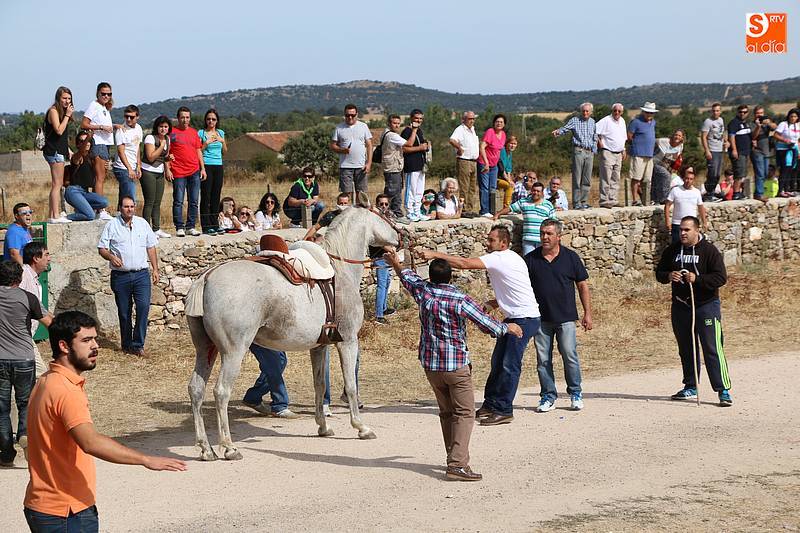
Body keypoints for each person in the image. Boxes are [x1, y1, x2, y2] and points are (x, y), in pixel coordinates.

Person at [23, 311, 186, 530]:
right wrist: (145, 459)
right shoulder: (66, 390)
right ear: (64, 346)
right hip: (66, 512)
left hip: (44, 506)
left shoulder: (47, 380)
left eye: (95, 339)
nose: (95, 346)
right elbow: (90, 442)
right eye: (86, 340)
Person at [384, 252, 523, 481]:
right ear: (450, 278)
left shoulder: (423, 292)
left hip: (431, 365)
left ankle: (453, 456)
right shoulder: (459, 299)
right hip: (456, 364)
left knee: (447, 413)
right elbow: (488, 325)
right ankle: (458, 464)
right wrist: (510, 329)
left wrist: (395, 263)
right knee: (465, 412)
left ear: (430, 277)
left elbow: (408, 277)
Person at [421, 225, 541, 426]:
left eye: (491, 240)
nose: (487, 243)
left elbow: (464, 263)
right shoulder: (511, 258)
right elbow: (515, 287)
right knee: (498, 362)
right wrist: (495, 303)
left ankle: (504, 409)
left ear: (503, 243)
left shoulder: (500, 257)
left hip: (524, 319)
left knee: (509, 365)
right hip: (516, 316)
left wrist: (433, 254)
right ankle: (492, 403)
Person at [655, 216, 732, 407]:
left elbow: (721, 278)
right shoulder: (673, 250)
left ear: (697, 230)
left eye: (686, 230)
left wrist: (697, 279)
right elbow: (659, 272)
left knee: (712, 348)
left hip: (706, 306)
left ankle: (723, 390)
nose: (682, 233)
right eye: (681, 229)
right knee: (686, 349)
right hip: (681, 306)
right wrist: (668, 275)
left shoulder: (709, 251)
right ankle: (691, 385)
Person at [526, 219, 592, 412]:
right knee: (543, 360)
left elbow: (583, 285)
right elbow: (520, 288)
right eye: (542, 233)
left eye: (549, 234)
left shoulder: (571, 258)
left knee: (570, 355)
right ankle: (548, 396)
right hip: (540, 319)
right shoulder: (531, 259)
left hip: (566, 318)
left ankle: (575, 393)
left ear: (558, 236)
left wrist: (588, 313)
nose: (544, 237)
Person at [0, 260, 52, 467]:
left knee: (2, 408)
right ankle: (24, 434)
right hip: (24, 357)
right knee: (25, 403)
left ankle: (5, 452)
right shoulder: (27, 298)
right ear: (19, 279)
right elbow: (49, 323)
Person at [97, 196, 159, 357]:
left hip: (141, 275)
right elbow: (102, 248)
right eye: (126, 206)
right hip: (121, 276)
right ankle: (126, 344)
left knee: (144, 307)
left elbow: (151, 247)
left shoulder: (143, 224)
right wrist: (111, 257)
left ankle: (138, 345)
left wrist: (155, 269)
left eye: (132, 206)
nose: (129, 209)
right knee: (124, 311)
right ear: (120, 208)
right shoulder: (112, 225)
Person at [169, 106, 206, 237]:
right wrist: (168, 169)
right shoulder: (172, 133)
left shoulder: (194, 132)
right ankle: (179, 226)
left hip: (194, 170)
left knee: (194, 200)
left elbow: (198, 150)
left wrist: (203, 168)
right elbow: (167, 152)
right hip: (178, 171)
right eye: (182, 117)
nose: (185, 120)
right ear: (178, 118)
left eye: (187, 117)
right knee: (178, 200)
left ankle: (191, 226)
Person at [552, 103, 597, 209]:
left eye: (587, 111)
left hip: (589, 152)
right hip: (579, 151)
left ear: (591, 112)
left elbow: (595, 136)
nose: (585, 113)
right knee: (577, 178)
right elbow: (565, 128)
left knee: (587, 179)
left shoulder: (593, 122)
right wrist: (558, 132)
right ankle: (577, 203)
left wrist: (594, 148)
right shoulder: (575, 120)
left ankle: (584, 202)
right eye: (583, 111)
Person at [494, 181, 556, 255]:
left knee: (543, 262)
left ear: (542, 193)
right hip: (528, 241)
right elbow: (510, 208)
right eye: (534, 190)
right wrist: (498, 214)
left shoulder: (548, 205)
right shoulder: (523, 202)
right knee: (528, 263)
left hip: (543, 240)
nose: (535, 193)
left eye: (538, 191)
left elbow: (553, 223)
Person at [42, 86, 74, 223]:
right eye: (64, 98)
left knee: (57, 183)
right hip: (53, 151)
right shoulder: (54, 111)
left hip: (59, 150)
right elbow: (59, 130)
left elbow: (62, 136)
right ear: (58, 98)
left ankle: (52, 215)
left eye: (69, 98)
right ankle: (55, 216)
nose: (67, 101)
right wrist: (67, 115)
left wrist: (68, 149)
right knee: (57, 184)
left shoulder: (61, 112)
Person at [242, 344, 299, 418]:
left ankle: (253, 397)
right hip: (260, 335)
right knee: (273, 363)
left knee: (281, 361)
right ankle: (279, 405)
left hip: (271, 336)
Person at [20, 242, 51, 377]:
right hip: (20, 336)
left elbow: (41, 309)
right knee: (41, 375)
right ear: (36, 258)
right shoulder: (22, 275)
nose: (49, 258)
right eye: (46, 254)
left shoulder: (33, 278)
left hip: (23, 336)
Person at [65, 131, 110, 222]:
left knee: (104, 202)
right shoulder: (77, 157)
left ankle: (81, 209)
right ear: (78, 144)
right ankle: (67, 217)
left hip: (85, 193)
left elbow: (97, 180)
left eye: (88, 140)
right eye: (82, 141)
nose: (86, 142)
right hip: (73, 191)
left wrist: (105, 169)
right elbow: (81, 151)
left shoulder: (91, 160)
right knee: (90, 215)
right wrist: (88, 137)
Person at [80, 82, 114, 199]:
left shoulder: (103, 107)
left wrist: (114, 126)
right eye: (103, 94)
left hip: (104, 144)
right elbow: (84, 124)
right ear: (98, 93)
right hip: (98, 143)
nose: (106, 96)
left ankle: (97, 206)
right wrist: (101, 127)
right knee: (100, 178)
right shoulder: (94, 105)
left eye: (109, 94)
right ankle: (100, 207)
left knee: (99, 177)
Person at [141, 116, 172, 238]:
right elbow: (151, 157)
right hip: (148, 170)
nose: (163, 129)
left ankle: (156, 229)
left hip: (160, 172)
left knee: (157, 202)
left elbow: (164, 157)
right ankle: (146, 230)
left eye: (165, 126)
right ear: (156, 127)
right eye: (161, 126)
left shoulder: (168, 139)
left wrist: (168, 163)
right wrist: (161, 145)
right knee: (149, 201)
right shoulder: (150, 138)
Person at [330, 104, 372, 194]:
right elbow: (333, 145)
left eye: (352, 115)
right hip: (345, 166)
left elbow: (369, 145)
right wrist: (342, 150)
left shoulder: (363, 126)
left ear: (357, 115)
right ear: (344, 115)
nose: (350, 117)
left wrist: (368, 163)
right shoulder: (339, 128)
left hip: (361, 166)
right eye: (347, 115)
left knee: (361, 195)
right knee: (345, 195)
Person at [379, 114, 414, 217]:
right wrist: (414, 130)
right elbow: (409, 143)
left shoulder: (385, 133)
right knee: (394, 191)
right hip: (393, 167)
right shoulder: (392, 136)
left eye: (398, 123)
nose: (397, 126)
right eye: (394, 123)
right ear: (389, 123)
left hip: (391, 166)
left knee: (393, 189)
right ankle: (396, 213)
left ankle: (390, 212)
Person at [199, 109, 227, 235]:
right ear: (205, 120)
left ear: (217, 121)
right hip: (206, 165)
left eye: (213, 119)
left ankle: (215, 224)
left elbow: (225, 150)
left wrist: (222, 141)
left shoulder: (221, 132)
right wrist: (206, 143)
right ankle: (206, 226)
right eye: (209, 119)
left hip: (218, 166)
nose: (211, 121)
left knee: (216, 196)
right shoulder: (201, 133)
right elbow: (198, 150)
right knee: (206, 196)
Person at [595, 103, 627, 208]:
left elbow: (623, 137)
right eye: (615, 110)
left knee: (615, 177)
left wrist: (624, 149)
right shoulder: (606, 120)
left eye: (619, 111)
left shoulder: (622, 121)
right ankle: (604, 200)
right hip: (607, 151)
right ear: (612, 110)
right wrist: (599, 141)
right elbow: (594, 130)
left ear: (622, 112)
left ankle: (613, 199)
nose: (617, 112)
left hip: (618, 152)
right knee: (606, 177)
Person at [401, 109, 430, 222]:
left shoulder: (420, 131)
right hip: (411, 165)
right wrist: (420, 148)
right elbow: (404, 148)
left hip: (420, 165)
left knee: (419, 190)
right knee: (411, 189)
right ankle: (409, 212)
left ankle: (417, 211)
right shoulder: (407, 131)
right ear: (411, 118)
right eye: (416, 118)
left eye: (420, 118)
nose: (418, 120)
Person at [664, 165, 707, 244]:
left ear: (693, 180)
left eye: (691, 179)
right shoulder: (675, 190)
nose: (688, 181)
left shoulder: (696, 192)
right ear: (683, 178)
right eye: (687, 178)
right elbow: (667, 205)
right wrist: (667, 221)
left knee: (691, 245)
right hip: (677, 224)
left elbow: (701, 208)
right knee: (676, 248)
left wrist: (704, 222)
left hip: (691, 225)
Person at [627, 102, 658, 206]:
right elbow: (629, 136)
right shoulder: (635, 122)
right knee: (636, 177)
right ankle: (635, 200)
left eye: (651, 113)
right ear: (643, 112)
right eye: (648, 112)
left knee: (647, 179)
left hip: (649, 154)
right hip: (638, 153)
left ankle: (646, 199)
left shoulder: (653, 122)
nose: (649, 114)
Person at [449, 111, 479, 215]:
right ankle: (464, 209)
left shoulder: (472, 130)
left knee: (472, 187)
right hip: (464, 160)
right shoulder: (460, 129)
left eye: (473, 119)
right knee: (464, 186)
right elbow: (452, 140)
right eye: (470, 119)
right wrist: (459, 148)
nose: (472, 121)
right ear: (464, 119)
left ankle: (469, 208)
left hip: (474, 161)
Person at [112, 105, 143, 207]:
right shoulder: (121, 130)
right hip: (122, 167)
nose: (128, 119)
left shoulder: (139, 128)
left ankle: (119, 216)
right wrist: (129, 168)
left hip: (132, 166)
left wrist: (138, 165)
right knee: (130, 197)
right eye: (126, 116)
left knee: (124, 196)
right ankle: (128, 219)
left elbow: (137, 148)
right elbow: (121, 152)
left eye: (132, 117)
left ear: (137, 117)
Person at [373, 194, 396, 325]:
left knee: (386, 281)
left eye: (386, 204)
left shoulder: (387, 218)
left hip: (387, 256)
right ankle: (379, 315)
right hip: (379, 255)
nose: (384, 206)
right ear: (377, 205)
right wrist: (390, 249)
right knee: (381, 285)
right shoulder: (375, 220)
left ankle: (384, 308)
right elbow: (377, 241)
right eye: (381, 204)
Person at [728, 104, 760, 200]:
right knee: (739, 172)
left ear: (748, 113)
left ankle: (739, 192)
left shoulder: (747, 123)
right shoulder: (734, 123)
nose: (742, 114)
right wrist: (734, 149)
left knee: (743, 173)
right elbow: (731, 137)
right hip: (739, 151)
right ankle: (736, 193)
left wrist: (758, 127)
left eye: (745, 112)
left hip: (746, 151)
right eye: (740, 112)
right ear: (737, 112)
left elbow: (753, 136)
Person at [478, 114, 507, 217]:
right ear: (494, 123)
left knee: (492, 187)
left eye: (501, 122)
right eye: (497, 121)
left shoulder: (503, 134)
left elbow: (499, 150)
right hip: (484, 163)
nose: (499, 123)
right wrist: (486, 162)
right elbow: (482, 147)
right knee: (484, 187)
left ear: (504, 124)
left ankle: (492, 209)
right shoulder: (490, 132)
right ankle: (484, 210)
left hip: (494, 165)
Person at [700, 103, 727, 202]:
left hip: (720, 150)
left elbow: (723, 132)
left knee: (718, 174)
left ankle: (711, 193)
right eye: (714, 111)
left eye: (717, 110)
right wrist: (707, 150)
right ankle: (708, 193)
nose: (715, 112)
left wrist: (726, 141)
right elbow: (703, 137)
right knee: (712, 173)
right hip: (712, 149)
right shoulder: (708, 122)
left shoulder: (721, 120)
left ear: (720, 111)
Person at [650, 129, 685, 205]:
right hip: (655, 164)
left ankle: (655, 199)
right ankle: (664, 199)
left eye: (679, 136)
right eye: (676, 135)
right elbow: (651, 141)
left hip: (666, 166)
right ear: (673, 135)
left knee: (657, 182)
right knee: (666, 176)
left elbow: (677, 158)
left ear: (682, 138)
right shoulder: (663, 141)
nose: (677, 137)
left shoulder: (681, 146)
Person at [773, 108, 800, 197]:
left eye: (795, 116)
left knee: (790, 170)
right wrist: (785, 140)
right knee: (785, 169)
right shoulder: (783, 124)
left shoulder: (797, 125)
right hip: (783, 150)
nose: (793, 118)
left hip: (793, 149)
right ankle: (781, 190)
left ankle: (787, 189)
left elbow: (797, 139)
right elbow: (775, 135)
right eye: (791, 116)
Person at [752, 106, 776, 199]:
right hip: (757, 151)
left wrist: (769, 123)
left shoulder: (766, 123)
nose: (759, 115)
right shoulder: (752, 124)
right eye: (758, 113)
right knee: (760, 173)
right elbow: (753, 136)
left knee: (765, 173)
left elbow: (775, 128)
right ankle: (759, 193)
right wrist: (758, 126)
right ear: (754, 114)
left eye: (761, 113)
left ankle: (757, 192)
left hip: (767, 152)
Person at [496, 135, 518, 209]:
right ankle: (506, 207)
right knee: (508, 186)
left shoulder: (510, 154)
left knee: (511, 185)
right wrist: (508, 181)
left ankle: (509, 206)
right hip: (496, 177)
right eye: (511, 143)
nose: (512, 146)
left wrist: (510, 180)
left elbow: (508, 170)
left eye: (514, 144)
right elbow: (502, 169)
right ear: (507, 143)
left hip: (502, 177)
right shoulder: (502, 151)